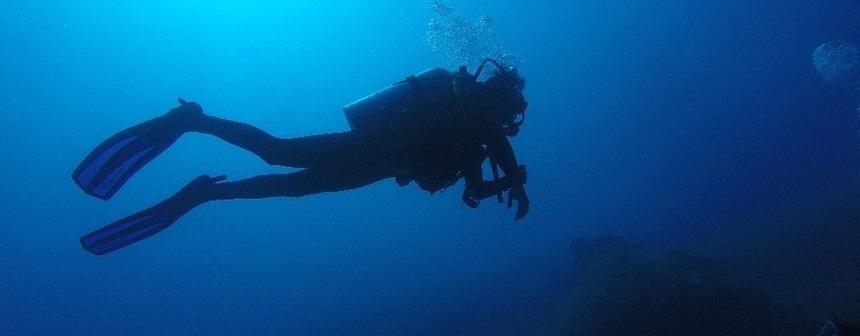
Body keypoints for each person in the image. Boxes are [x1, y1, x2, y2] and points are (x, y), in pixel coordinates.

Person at [73, 59, 529, 255]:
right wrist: (512, 182)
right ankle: (196, 120)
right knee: (279, 155)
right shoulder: (472, 114)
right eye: (509, 106)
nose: (508, 116)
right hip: (370, 151)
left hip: (376, 166)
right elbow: (488, 162)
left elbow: (474, 185)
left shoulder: (477, 136)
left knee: (286, 182)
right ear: (500, 95)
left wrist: (508, 183)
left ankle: (207, 194)